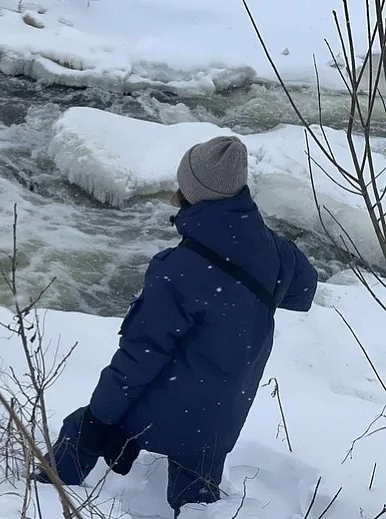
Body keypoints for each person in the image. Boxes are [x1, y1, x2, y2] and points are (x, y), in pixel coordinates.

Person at [34, 136, 318, 517]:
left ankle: (45, 500)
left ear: (192, 190)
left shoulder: (177, 269)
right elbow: (303, 291)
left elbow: (140, 357)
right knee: (197, 496)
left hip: (172, 403)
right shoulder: (276, 249)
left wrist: (101, 418)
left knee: (80, 429)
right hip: (224, 409)